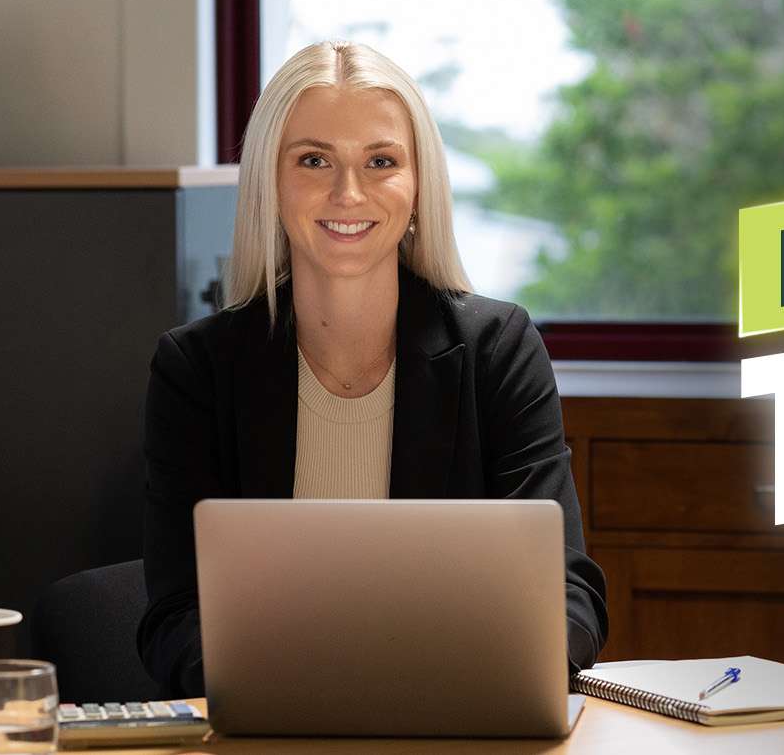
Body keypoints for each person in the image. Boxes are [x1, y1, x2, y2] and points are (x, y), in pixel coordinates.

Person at [135, 41, 607, 699]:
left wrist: (475, 688)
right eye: (313, 159)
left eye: (380, 161)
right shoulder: (198, 370)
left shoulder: (498, 349)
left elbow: (569, 594)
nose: (347, 191)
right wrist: (302, 693)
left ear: (417, 187)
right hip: (274, 731)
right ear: (271, 184)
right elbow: (175, 616)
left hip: (456, 723)